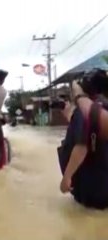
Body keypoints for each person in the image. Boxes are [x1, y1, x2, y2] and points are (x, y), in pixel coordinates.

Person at [57, 68, 108, 209]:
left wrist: (66, 177)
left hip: (91, 184)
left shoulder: (84, 111)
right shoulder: (102, 107)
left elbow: (81, 146)